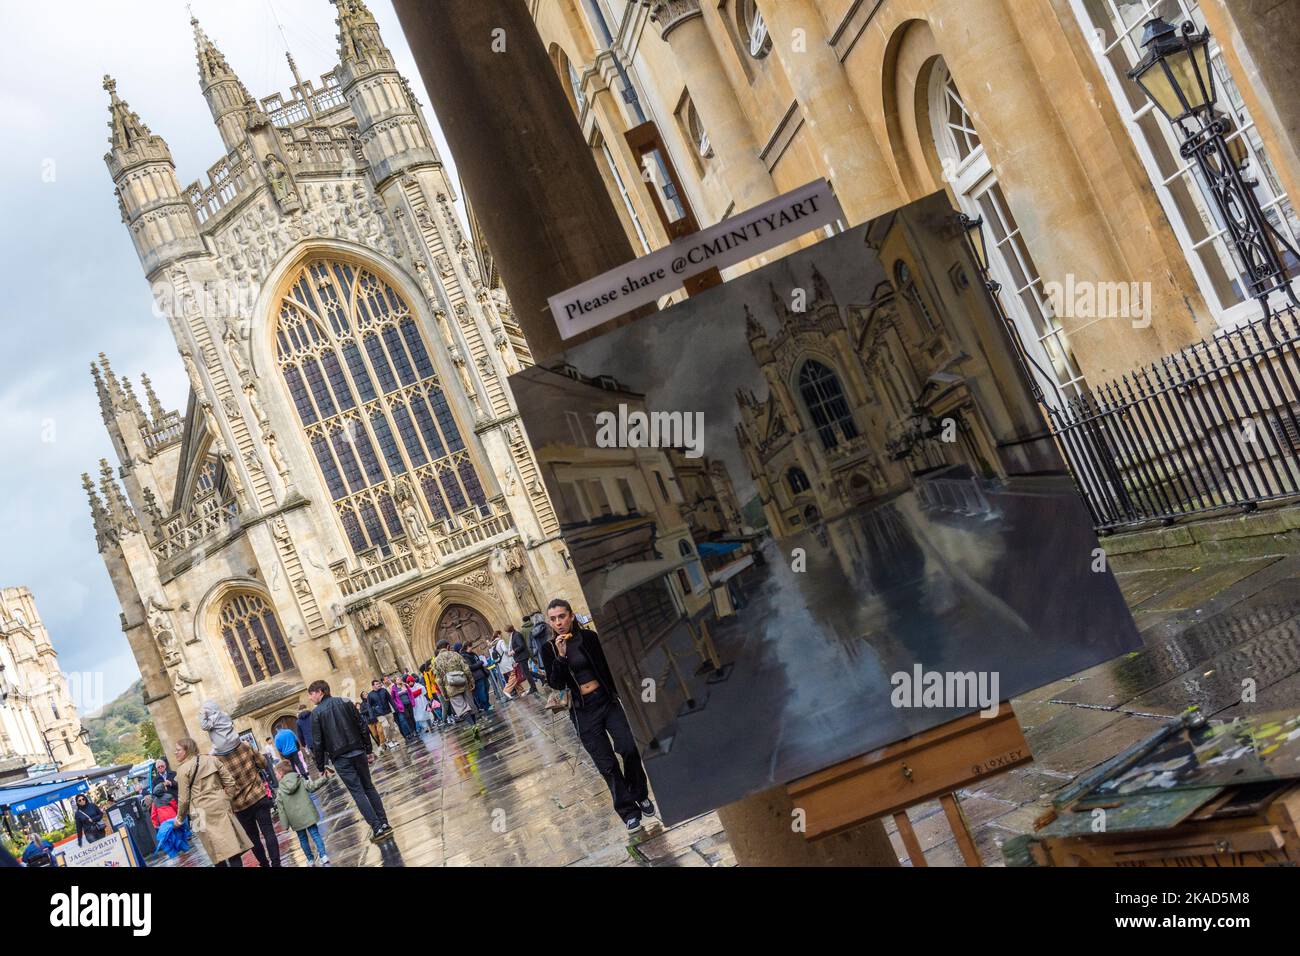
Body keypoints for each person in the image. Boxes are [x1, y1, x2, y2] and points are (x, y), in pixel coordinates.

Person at [540, 598, 654, 832]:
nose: (558, 622)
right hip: (582, 711)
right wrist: (561, 657)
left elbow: (609, 667)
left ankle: (639, 793)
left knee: (629, 746)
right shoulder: (549, 648)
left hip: (606, 701)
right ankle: (628, 812)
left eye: (562, 616)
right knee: (606, 763)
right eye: (553, 619)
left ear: (571, 616)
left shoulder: (589, 638)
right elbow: (555, 683)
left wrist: (624, 695)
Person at [308, 679, 392, 843]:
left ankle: (377, 827)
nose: (310, 698)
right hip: (358, 751)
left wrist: (320, 765)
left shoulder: (317, 714)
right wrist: (368, 749)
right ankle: (384, 823)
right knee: (368, 787)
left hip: (340, 757)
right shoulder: (345, 702)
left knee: (358, 792)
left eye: (311, 694)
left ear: (320, 692)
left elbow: (318, 743)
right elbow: (362, 726)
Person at [201, 702, 281, 867]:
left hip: (239, 805)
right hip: (258, 796)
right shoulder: (244, 746)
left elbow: (216, 783)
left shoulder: (216, 759)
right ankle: (276, 864)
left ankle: (264, 864)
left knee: (253, 839)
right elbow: (263, 763)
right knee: (269, 832)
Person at [173, 736, 252, 867]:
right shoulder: (211, 759)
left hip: (198, 811)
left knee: (214, 851)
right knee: (232, 846)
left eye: (178, 750)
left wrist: (179, 819)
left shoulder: (182, 770)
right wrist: (226, 798)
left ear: (187, 750)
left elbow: (184, 799)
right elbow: (230, 782)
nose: (175, 753)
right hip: (219, 804)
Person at [272, 759, 333, 866]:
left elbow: (281, 809)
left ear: (281, 773)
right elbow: (312, 786)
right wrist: (324, 777)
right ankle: (323, 856)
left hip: (295, 819)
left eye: (276, 773)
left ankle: (310, 859)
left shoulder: (280, 790)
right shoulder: (299, 779)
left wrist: (285, 825)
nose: (276, 776)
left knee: (302, 839)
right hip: (308, 814)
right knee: (315, 834)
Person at [434, 640, 477, 725]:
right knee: (470, 705)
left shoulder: (436, 661)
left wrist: (444, 693)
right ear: (448, 646)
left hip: (450, 687)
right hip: (463, 682)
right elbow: (466, 669)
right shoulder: (455, 654)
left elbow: (439, 680)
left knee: (461, 708)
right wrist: (471, 681)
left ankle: (472, 725)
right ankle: (474, 724)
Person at [458, 642, 492, 715]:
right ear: (467, 647)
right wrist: (480, 663)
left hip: (482, 674)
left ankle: (487, 704)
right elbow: (470, 667)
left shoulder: (472, 654)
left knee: (486, 689)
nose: (472, 648)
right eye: (470, 647)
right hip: (476, 677)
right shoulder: (464, 656)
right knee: (481, 692)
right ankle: (486, 706)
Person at [366, 679, 399, 749]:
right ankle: (388, 741)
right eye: (377, 684)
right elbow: (369, 706)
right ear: (373, 686)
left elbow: (390, 700)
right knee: (386, 726)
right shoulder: (370, 695)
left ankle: (394, 740)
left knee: (392, 727)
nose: (379, 685)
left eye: (379, 684)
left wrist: (395, 708)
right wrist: (372, 716)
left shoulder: (384, 691)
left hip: (388, 712)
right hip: (379, 714)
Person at [508, 623, 537, 696]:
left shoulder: (516, 635)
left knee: (526, 673)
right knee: (525, 672)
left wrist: (513, 651)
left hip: (522, 656)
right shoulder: (514, 635)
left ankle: (533, 688)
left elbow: (521, 645)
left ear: (509, 630)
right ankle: (541, 678)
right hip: (520, 657)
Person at [388, 675, 416, 740]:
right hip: (402, 706)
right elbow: (393, 698)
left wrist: (412, 701)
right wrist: (397, 705)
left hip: (409, 703)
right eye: (398, 679)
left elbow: (410, 693)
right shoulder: (394, 689)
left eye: (400, 679)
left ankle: (415, 730)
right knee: (407, 717)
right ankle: (412, 731)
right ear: (395, 682)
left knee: (412, 717)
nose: (399, 680)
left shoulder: (405, 685)